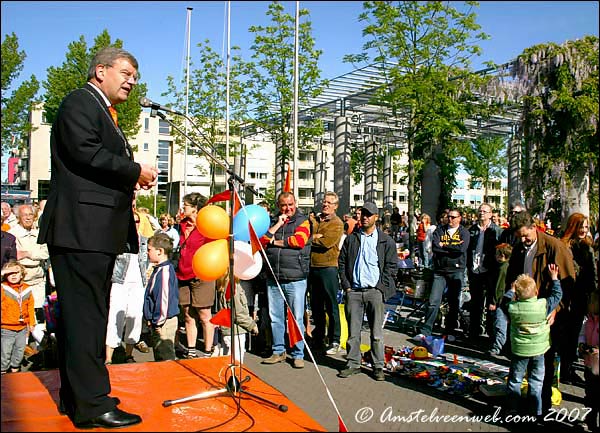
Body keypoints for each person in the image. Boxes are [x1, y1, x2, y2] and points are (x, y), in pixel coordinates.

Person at [37, 47, 158, 428]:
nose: (131, 81)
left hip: (91, 230)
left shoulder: (101, 108)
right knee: (87, 318)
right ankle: (93, 404)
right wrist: (134, 169)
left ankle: (79, 397)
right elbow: (86, 153)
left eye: (135, 76)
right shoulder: (80, 102)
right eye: (125, 72)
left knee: (84, 317)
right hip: (82, 229)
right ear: (100, 71)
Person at [505, 211, 576, 416]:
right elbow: (513, 276)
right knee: (521, 362)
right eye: (519, 236)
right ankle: (519, 405)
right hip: (525, 313)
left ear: (534, 227)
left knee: (544, 363)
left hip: (546, 314)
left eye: (526, 235)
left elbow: (567, 282)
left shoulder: (554, 247)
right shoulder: (520, 248)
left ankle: (541, 407)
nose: (523, 240)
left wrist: (556, 308)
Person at [337, 202, 398, 381]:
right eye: (363, 213)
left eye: (369, 214)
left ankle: (378, 366)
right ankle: (353, 363)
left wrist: (381, 288)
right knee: (353, 332)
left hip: (374, 292)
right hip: (354, 291)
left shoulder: (386, 241)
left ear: (376, 218)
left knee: (376, 333)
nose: (364, 217)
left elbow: (391, 267)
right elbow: (341, 263)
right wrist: (347, 286)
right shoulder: (352, 238)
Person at [503, 264, 562, 419]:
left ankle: (512, 409)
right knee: (536, 381)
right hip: (539, 350)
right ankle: (535, 411)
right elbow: (557, 295)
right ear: (536, 291)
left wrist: (511, 291)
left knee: (515, 380)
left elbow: (504, 302)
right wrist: (554, 278)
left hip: (519, 350)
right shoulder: (543, 305)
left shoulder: (513, 307)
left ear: (517, 295)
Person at [260, 191, 311, 369]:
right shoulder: (272, 221)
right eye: (283, 205)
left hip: (295, 277)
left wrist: (275, 242)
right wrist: (276, 227)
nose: (287, 208)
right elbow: (261, 240)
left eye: (290, 204)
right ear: (278, 206)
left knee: (296, 318)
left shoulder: (303, 221)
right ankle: (278, 351)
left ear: (295, 203)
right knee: (275, 318)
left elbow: (299, 241)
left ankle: (298, 353)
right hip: (274, 276)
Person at [416, 208, 470, 342]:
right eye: (449, 217)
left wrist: (444, 245)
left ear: (459, 218)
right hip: (440, 271)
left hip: (456, 270)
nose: (450, 219)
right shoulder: (440, 230)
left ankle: (450, 331)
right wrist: (451, 246)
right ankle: (425, 330)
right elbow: (435, 247)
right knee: (433, 301)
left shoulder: (464, 232)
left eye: (453, 217)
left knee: (453, 302)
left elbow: (461, 250)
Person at [104, 210, 148, 365]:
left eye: (137, 221)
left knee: (135, 316)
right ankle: (109, 355)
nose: (135, 224)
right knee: (115, 316)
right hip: (120, 281)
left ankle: (128, 353)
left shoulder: (144, 241)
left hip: (139, 283)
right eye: (132, 222)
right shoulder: (118, 240)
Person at [176, 192, 216, 359]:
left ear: (195, 208)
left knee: (204, 314)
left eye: (185, 205)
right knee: (187, 313)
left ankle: (208, 350)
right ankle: (191, 349)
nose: (182, 208)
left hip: (201, 274)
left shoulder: (207, 225)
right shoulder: (182, 225)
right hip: (183, 274)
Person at [560, 213, 598, 384]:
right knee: (569, 335)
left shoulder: (587, 246)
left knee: (577, 334)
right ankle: (566, 370)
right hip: (569, 296)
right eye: (580, 226)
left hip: (584, 296)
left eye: (586, 227)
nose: (583, 230)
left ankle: (570, 367)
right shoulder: (565, 246)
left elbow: (592, 273)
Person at [308, 192, 344, 354]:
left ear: (335, 206)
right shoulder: (314, 219)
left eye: (330, 203)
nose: (326, 205)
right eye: (324, 202)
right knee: (316, 305)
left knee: (331, 304)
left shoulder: (337, 223)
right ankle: (319, 337)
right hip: (312, 267)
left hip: (328, 267)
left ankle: (335, 339)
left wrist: (310, 238)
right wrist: (314, 236)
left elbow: (326, 242)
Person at [466, 203, 502, 340]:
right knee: (476, 303)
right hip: (475, 270)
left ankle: (491, 333)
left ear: (490, 214)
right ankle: (474, 332)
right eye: (480, 211)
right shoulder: (472, 230)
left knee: (491, 303)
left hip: (490, 271)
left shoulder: (497, 231)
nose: (482, 213)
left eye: (485, 211)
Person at [9, 204, 49, 324]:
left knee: (39, 312)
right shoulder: (12, 234)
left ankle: (40, 341)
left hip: (38, 279)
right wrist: (34, 255)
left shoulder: (39, 233)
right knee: (22, 313)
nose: (28, 218)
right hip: (21, 279)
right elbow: (15, 256)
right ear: (18, 217)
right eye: (25, 215)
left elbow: (45, 254)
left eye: (30, 214)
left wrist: (27, 253)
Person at [144, 233, 179, 362]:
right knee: (159, 355)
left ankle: (170, 381)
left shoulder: (164, 272)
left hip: (163, 323)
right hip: (158, 322)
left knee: (166, 357)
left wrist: (158, 322)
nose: (147, 253)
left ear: (160, 251)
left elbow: (163, 300)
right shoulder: (158, 270)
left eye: (149, 249)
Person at [215, 272, 259, 363]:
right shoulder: (233, 287)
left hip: (227, 329)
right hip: (235, 331)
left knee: (227, 359)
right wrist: (252, 325)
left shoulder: (225, 284)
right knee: (236, 362)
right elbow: (237, 313)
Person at [1, 260, 36, 374]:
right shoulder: (3, 288)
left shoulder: (27, 289)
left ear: (22, 274)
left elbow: (30, 306)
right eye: (10, 273)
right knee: (5, 352)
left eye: (16, 272)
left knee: (19, 351)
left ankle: (15, 370)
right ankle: (3, 371)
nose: (14, 275)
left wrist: (32, 323)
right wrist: (4, 271)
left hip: (22, 328)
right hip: (6, 327)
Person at [578, 290, 599, 431]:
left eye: (592, 301)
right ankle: (589, 419)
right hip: (589, 365)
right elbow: (582, 334)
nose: (589, 304)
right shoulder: (588, 320)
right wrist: (581, 343)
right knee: (590, 395)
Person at [488, 242, 513, 356]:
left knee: (499, 325)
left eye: (497, 254)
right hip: (503, 300)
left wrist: (494, 302)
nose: (495, 255)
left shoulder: (502, 268)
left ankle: (497, 348)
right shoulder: (504, 266)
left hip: (500, 301)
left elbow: (499, 287)